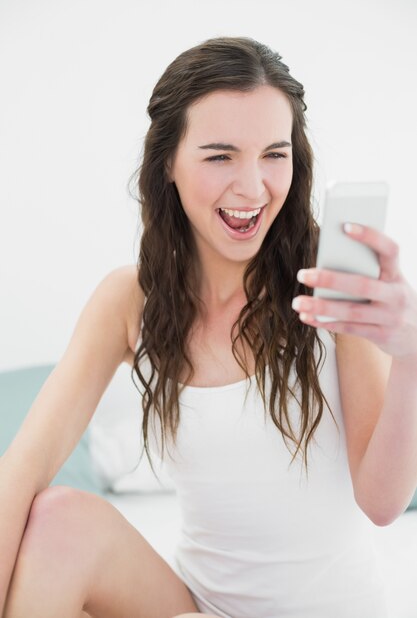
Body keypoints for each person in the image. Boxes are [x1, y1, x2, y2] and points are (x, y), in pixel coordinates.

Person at [1, 36, 417, 618]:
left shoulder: (329, 283)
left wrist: (411, 356)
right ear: (168, 162)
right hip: (200, 609)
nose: (252, 187)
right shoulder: (130, 300)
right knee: (55, 520)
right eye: (221, 155)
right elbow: (26, 465)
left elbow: (382, 504)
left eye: (275, 153)